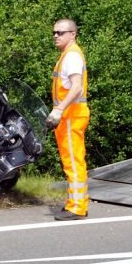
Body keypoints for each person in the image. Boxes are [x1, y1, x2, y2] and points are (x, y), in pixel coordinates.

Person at [45, 18, 90, 220]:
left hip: (71, 115)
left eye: (61, 32)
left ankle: (78, 208)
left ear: (72, 34)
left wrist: (59, 109)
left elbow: (76, 87)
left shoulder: (71, 57)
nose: (56, 35)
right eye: (54, 32)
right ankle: (75, 203)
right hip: (69, 116)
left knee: (73, 161)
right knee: (70, 161)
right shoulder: (67, 55)